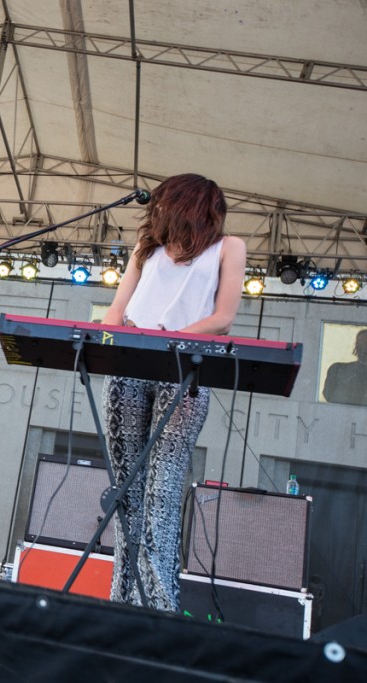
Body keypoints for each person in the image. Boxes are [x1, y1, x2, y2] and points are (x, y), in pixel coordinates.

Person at [100, 173, 246, 612]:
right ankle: (121, 601)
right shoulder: (147, 250)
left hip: (185, 371)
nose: (157, 210)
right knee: (127, 488)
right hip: (129, 367)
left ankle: (158, 607)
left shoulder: (228, 248)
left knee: (162, 490)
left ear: (192, 206)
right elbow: (114, 313)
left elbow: (222, 318)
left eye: (166, 203)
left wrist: (170, 338)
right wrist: (120, 331)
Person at [322, 329, 367, 406]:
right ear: (356, 346)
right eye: (360, 344)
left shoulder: (338, 369)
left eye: (365, 344)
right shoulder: (337, 369)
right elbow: (328, 395)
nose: (363, 348)